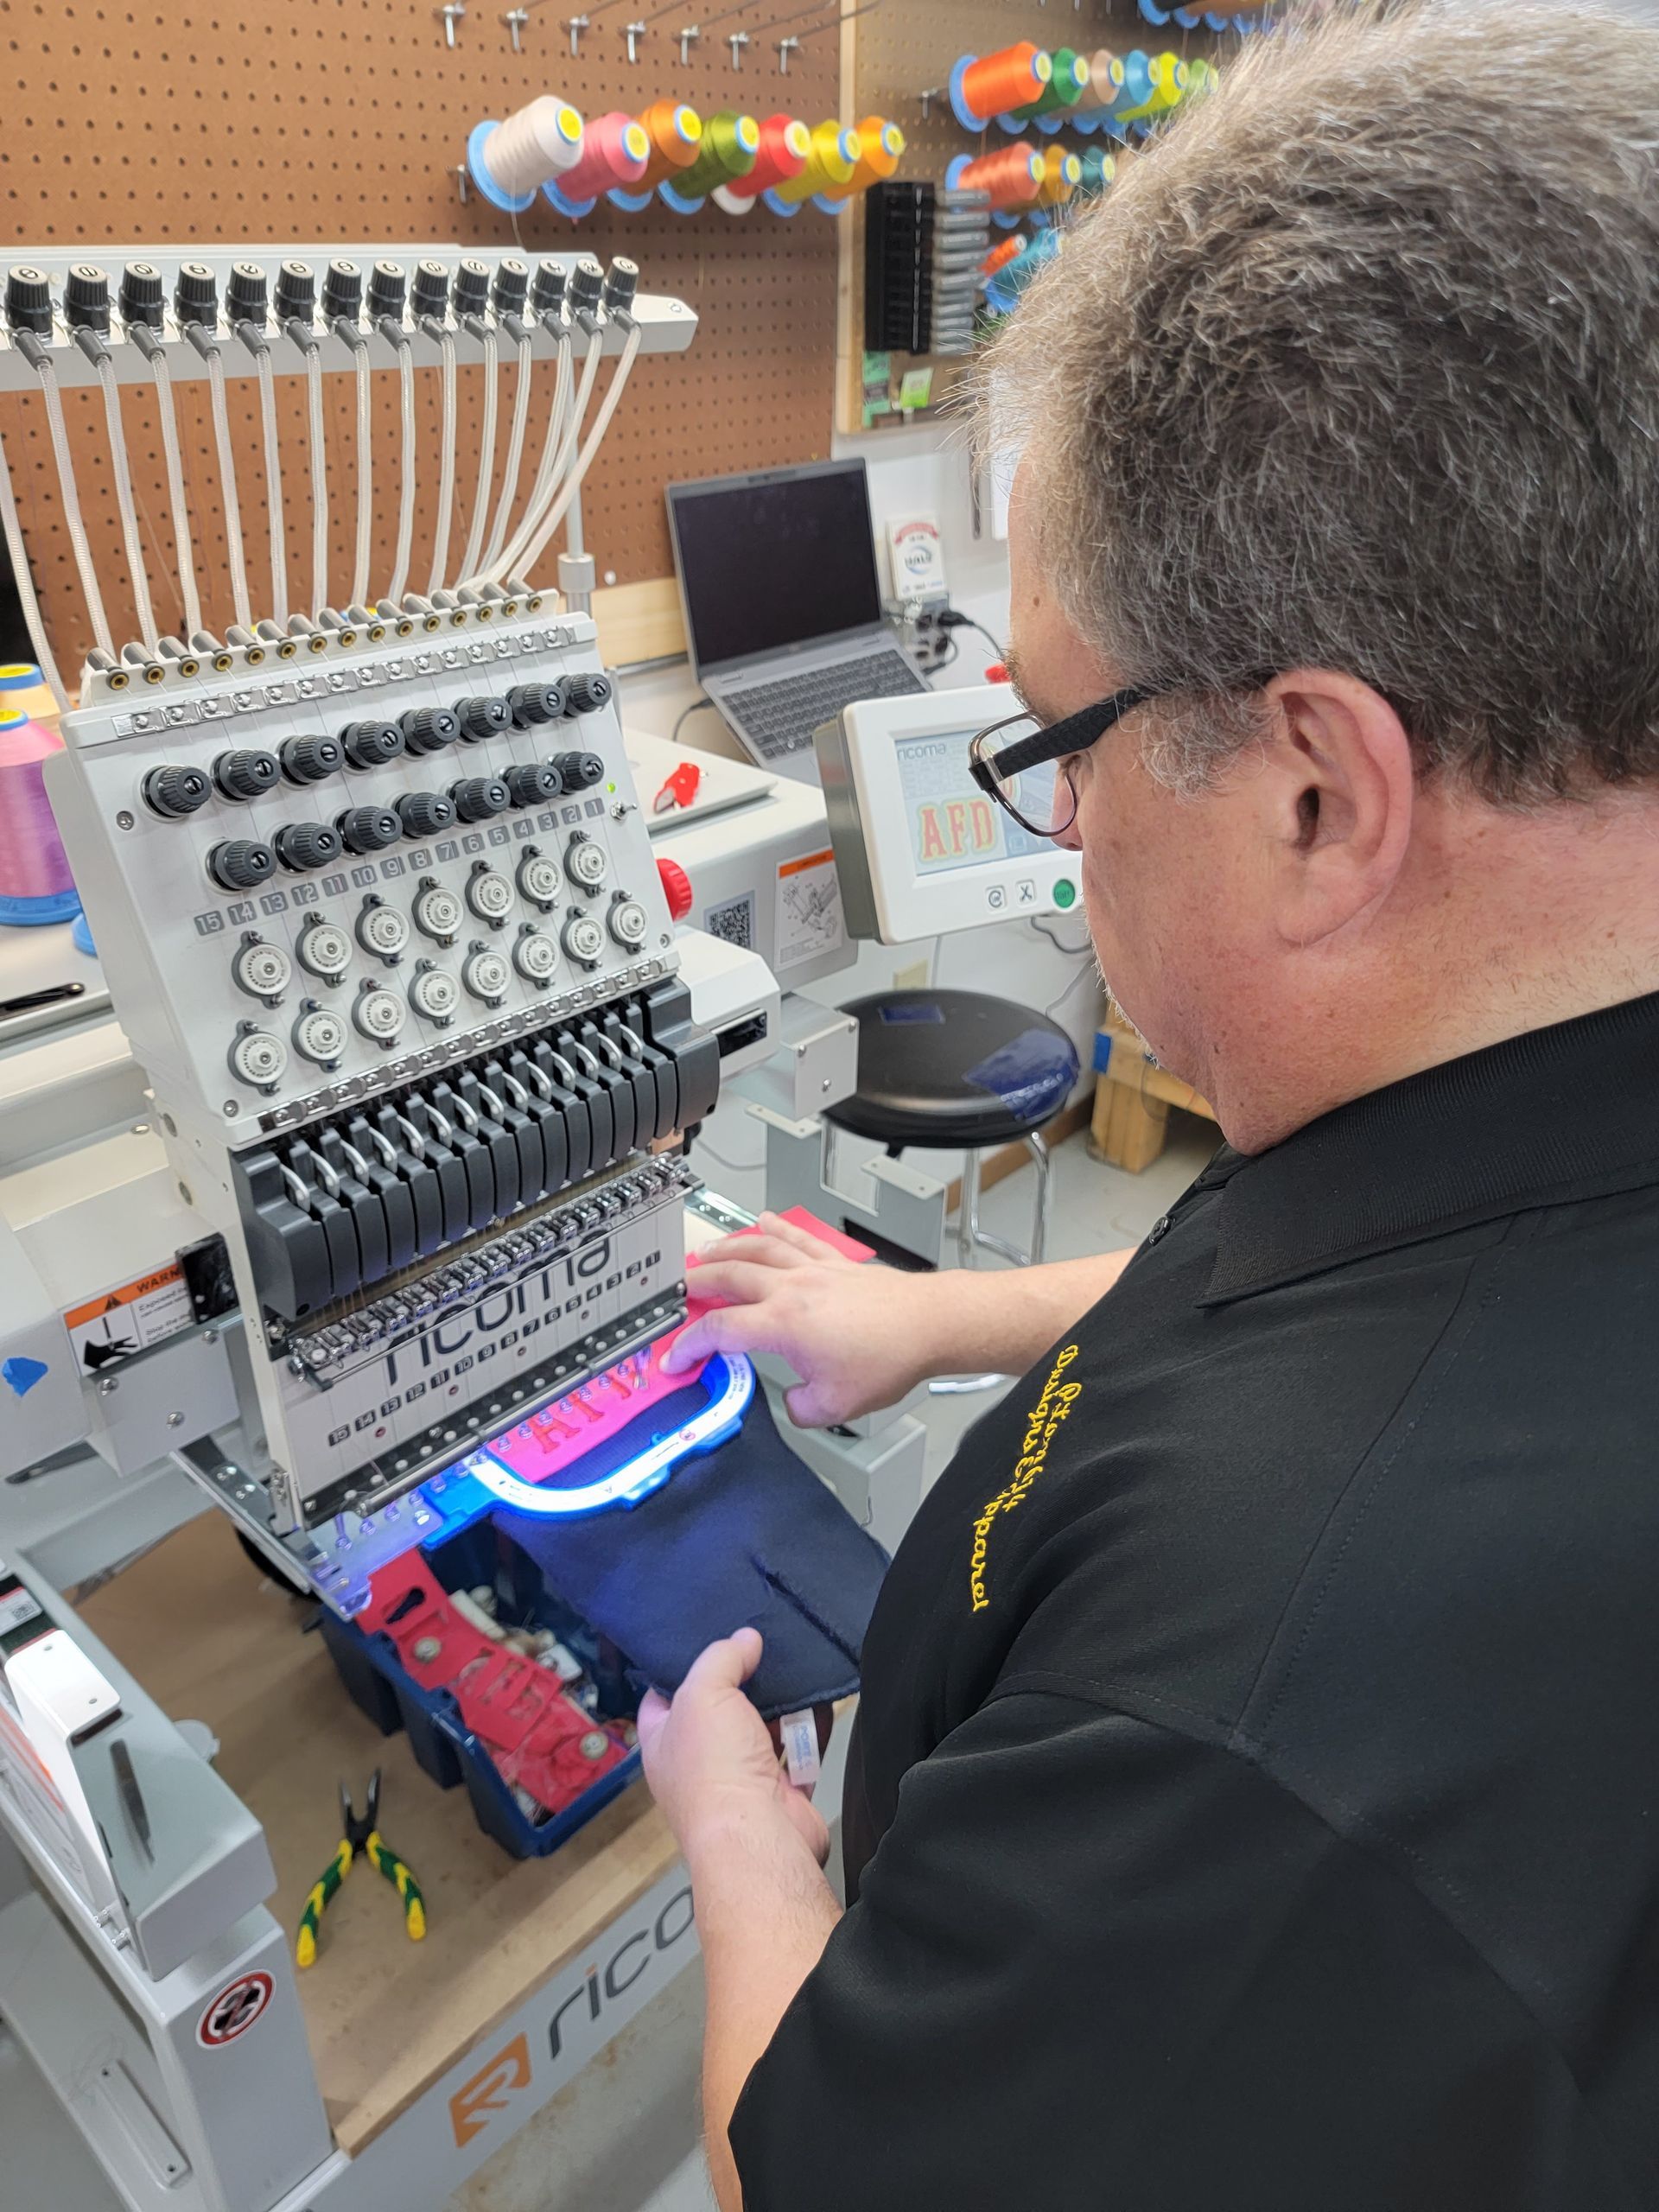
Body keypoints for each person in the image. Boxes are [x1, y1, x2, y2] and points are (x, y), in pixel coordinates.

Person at [639, 4, 1659, 2205]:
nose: (1067, 822)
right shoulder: (1510, 1102)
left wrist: (735, 1833)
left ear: (1319, 794)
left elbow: (814, 2174)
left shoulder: (1239, 1773)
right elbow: (1319, 1287)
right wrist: (939, 1319)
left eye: (1057, 739)